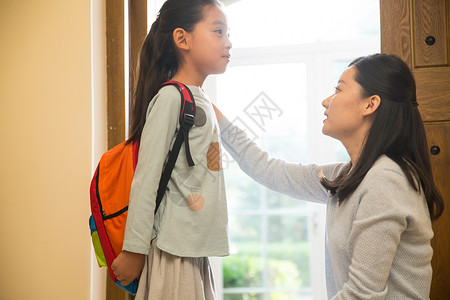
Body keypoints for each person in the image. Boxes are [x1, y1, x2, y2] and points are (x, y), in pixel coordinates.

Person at [214, 53, 444, 299]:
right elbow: (267, 169)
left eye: (338, 90)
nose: (326, 101)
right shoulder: (349, 175)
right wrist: (213, 112)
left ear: (370, 104)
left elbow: (362, 294)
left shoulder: (385, 180)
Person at [111, 0, 232, 299]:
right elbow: (146, 179)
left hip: (193, 250)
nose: (228, 42)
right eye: (218, 31)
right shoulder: (170, 98)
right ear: (182, 39)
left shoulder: (200, 99)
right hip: (173, 252)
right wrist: (134, 251)